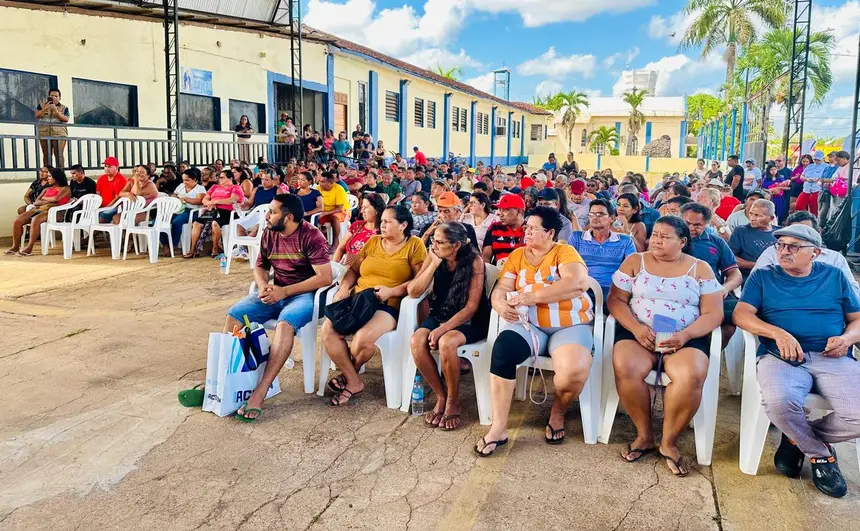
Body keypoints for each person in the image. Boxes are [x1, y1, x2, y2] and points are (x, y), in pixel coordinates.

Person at [734, 224, 860, 498]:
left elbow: (857, 319)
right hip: (782, 357)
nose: (784, 251)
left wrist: (847, 339)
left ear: (815, 252)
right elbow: (741, 315)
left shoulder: (834, 275)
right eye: (780, 245)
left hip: (833, 356)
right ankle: (820, 455)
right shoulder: (764, 277)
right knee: (779, 402)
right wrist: (776, 333)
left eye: (793, 246)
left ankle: (797, 438)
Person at [608, 216, 723, 476]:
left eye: (665, 236)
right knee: (626, 365)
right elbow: (616, 300)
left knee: (690, 375)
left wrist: (684, 336)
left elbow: (714, 314)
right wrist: (636, 328)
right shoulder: (635, 261)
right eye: (655, 234)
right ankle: (644, 435)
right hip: (639, 333)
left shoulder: (700, 268)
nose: (657, 240)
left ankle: (669, 442)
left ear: (682, 241)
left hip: (685, 337)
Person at [475, 206, 595, 455]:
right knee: (503, 351)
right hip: (529, 324)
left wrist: (533, 296)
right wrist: (498, 303)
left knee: (572, 372)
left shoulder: (564, 252)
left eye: (532, 228)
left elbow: (577, 283)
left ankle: (558, 410)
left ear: (550, 232)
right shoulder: (518, 255)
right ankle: (499, 427)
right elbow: (502, 287)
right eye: (526, 227)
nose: (526, 231)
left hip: (569, 324)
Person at [225, 194, 333, 421]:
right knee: (234, 316)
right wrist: (264, 285)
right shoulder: (269, 233)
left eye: (272, 212)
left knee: (285, 324)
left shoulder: (312, 236)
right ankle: (226, 381)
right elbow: (260, 266)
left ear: (289, 217)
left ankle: (261, 390)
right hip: (276, 291)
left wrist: (284, 292)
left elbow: (324, 278)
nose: (266, 215)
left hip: (305, 296)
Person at [322, 206, 427, 406]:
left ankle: (348, 375)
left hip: (387, 304)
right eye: (383, 220)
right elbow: (354, 270)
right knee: (328, 330)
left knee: (362, 338)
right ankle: (353, 380)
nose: (383, 224)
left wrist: (392, 291)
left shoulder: (414, 245)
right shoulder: (372, 242)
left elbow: (419, 281)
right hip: (359, 298)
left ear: (403, 225)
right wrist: (344, 288)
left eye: (388, 221)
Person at [409, 222, 490, 430]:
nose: (433, 245)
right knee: (417, 341)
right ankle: (441, 395)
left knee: (446, 342)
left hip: (470, 320)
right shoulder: (434, 256)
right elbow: (414, 291)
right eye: (433, 240)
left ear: (455, 245)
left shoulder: (474, 262)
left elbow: (471, 308)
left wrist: (442, 329)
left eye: (439, 242)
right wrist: (434, 264)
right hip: (441, 312)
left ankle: (454, 400)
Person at [753, 211, 860, 296]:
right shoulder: (772, 253)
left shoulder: (834, 258)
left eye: (805, 233)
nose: (785, 251)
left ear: (819, 233)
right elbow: (755, 285)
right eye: (793, 232)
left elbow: (853, 291)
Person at [682, 203, 743, 346]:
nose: (691, 228)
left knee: (733, 318)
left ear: (706, 224)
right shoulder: (668, 240)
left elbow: (735, 274)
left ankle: (709, 357)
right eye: (687, 223)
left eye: (697, 225)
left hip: (711, 293)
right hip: (677, 293)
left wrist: (725, 288)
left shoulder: (716, 242)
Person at [567, 199, 636, 300]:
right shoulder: (576, 238)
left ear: (611, 218)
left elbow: (632, 269)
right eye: (592, 214)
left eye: (600, 214)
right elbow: (568, 265)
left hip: (613, 289)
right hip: (582, 288)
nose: (595, 217)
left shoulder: (625, 241)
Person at [7, 167, 71, 256]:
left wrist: (44, 198)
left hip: (55, 212)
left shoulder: (65, 189)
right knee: (18, 220)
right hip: (40, 209)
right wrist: (49, 200)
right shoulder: (46, 189)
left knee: (35, 220)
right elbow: (37, 201)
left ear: (56, 177)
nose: (48, 178)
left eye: (49, 176)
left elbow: (56, 199)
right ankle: (15, 247)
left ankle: (29, 247)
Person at [185, 169, 244, 258]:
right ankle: (193, 249)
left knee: (214, 223)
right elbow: (204, 200)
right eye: (219, 178)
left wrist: (215, 201)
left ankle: (215, 247)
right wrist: (211, 203)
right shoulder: (215, 187)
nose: (220, 180)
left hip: (228, 212)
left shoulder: (236, 188)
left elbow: (231, 200)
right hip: (212, 211)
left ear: (230, 178)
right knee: (196, 224)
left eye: (222, 178)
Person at [728, 199, 778, 281]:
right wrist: (757, 265)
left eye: (758, 215)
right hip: (748, 278)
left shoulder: (779, 234)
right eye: (751, 214)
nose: (752, 218)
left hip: (775, 279)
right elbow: (730, 258)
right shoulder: (741, 231)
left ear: (771, 218)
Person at [333, 193, 385, 266]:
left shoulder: (383, 233)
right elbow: (340, 248)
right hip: (345, 266)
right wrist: (334, 267)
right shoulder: (357, 225)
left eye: (366, 208)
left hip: (364, 271)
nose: (361, 211)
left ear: (377, 210)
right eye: (362, 207)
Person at [166, 167, 206, 253]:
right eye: (183, 180)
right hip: (178, 209)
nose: (184, 182)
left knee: (176, 222)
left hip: (191, 211)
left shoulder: (200, 188)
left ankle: (173, 245)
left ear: (194, 179)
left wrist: (184, 199)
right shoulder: (181, 186)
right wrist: (175, 197)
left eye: (187, 180)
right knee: (160, 220)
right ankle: (165, 244)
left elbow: (199, 201)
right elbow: (174, 194)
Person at [482, 194, 526, 265]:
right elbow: (486, 256)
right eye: (500, 209)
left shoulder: (530, 229)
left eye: (505, 210)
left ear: (519, 212)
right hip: (498, 272)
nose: (500, 214)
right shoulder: (494, 228)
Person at [35, 89, 70, 168]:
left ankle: (60, 175)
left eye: (56, 96)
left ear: (59, 98)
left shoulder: (64, 108)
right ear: (48, 96)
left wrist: (56, 111)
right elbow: (37, 115)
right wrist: (45, 109)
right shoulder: (41, 105)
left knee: (59, 155)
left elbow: (66, 119)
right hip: (44, 134)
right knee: (46, 155)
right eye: (51, 95)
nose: (53, 97)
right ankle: (47, 175)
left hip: (59, 135)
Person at [318, 171, 349, 245]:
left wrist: (324, 213)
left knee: (335, 217)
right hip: (324, 211)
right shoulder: (318, 188)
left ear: (331, 183)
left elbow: (339, 208)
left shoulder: (339, 189)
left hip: (341, 211)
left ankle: (335, 242)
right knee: (313, 217)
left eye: (323, 182)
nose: (320, 184)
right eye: (320, 181)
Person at [95, 157, 128, 223]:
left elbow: (117, 199)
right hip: (102, 206)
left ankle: (97, 232)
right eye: (105, 166)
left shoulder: (121, 179)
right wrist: (98, 206)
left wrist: (105, 207)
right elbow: (98, 194)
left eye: (109, 166)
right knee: (90, 215)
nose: (107, 168)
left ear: (117, 167)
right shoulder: (101, 178)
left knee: (102, 216)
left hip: (116, 207)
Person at [795, 150, 826, 216]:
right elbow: (802, 176)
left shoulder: (826, 167)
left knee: (814, 210)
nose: (816, 161)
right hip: (806, 189)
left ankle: (812, 223)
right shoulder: (810, 166)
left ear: (823, 159)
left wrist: (818, 180)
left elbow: (827, 179)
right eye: (815, 159)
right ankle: (802, 219)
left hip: (817, 190)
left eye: (818, 160)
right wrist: (806, 179)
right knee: (798, 206)